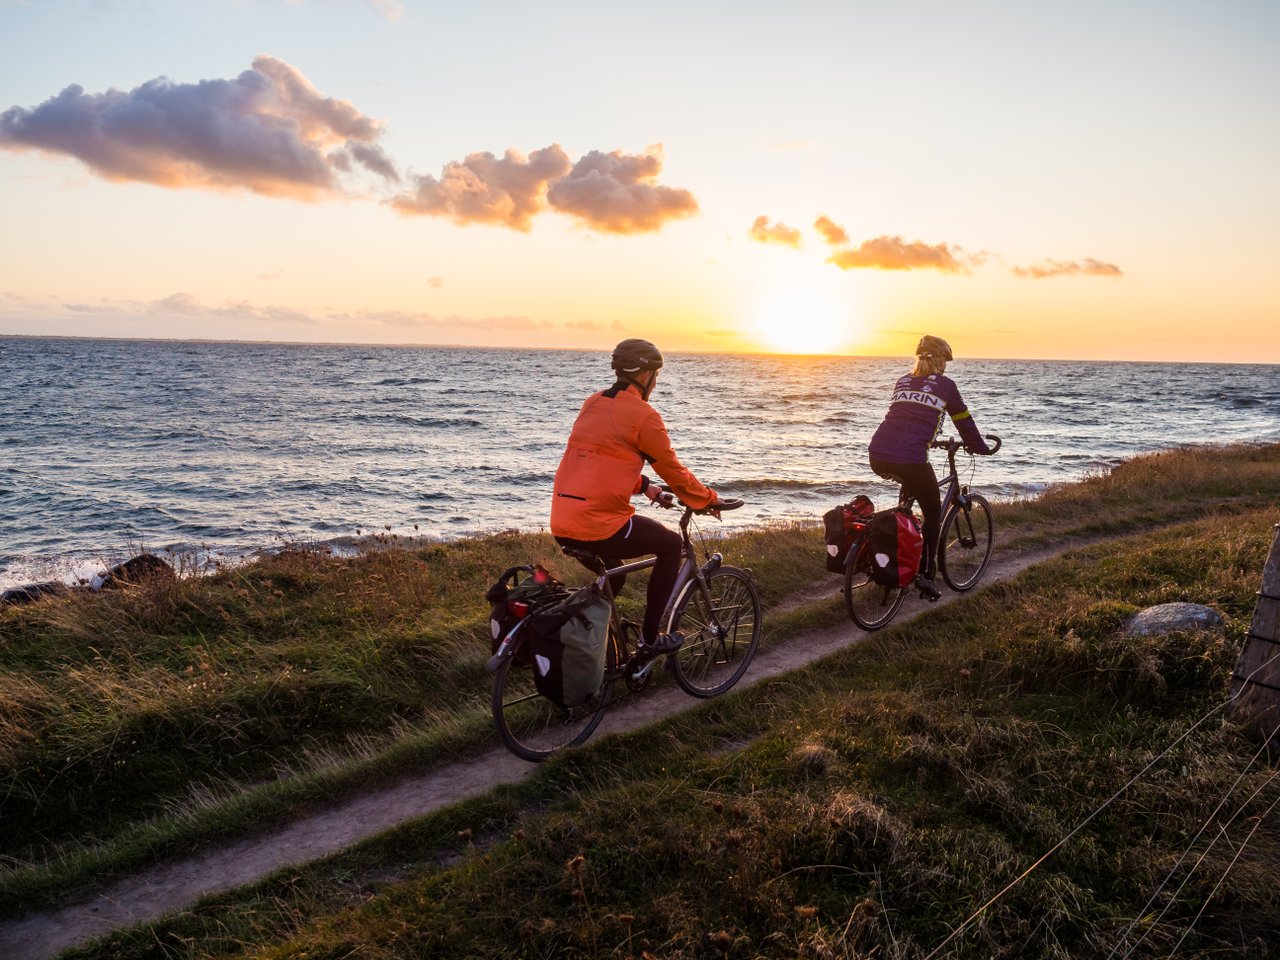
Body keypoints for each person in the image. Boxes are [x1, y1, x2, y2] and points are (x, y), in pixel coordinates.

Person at [551, 338, 721, 658]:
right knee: (671, 545)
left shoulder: (592, 402)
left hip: (562, 521)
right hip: (599, 525)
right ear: (644, 375)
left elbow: (599, 465)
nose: (656, 383)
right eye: (656, 375)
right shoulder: (643, 415)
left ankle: (587, 646)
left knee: (613, 581)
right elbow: (672, 470)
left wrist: (645, 487)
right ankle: (650, 640)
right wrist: (707, 499)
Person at [867, 334, 992, 599]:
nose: (946, 366)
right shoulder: (946, 385)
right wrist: (980, 447)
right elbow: (963, 420)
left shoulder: (903, 380)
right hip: (910, 458)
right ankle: (926, 574)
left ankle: (896, 550)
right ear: (940, 361)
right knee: (933, 511)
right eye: (945, 361)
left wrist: (929, 439)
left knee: (907, 502)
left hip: (877, 454)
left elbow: (908, 419)